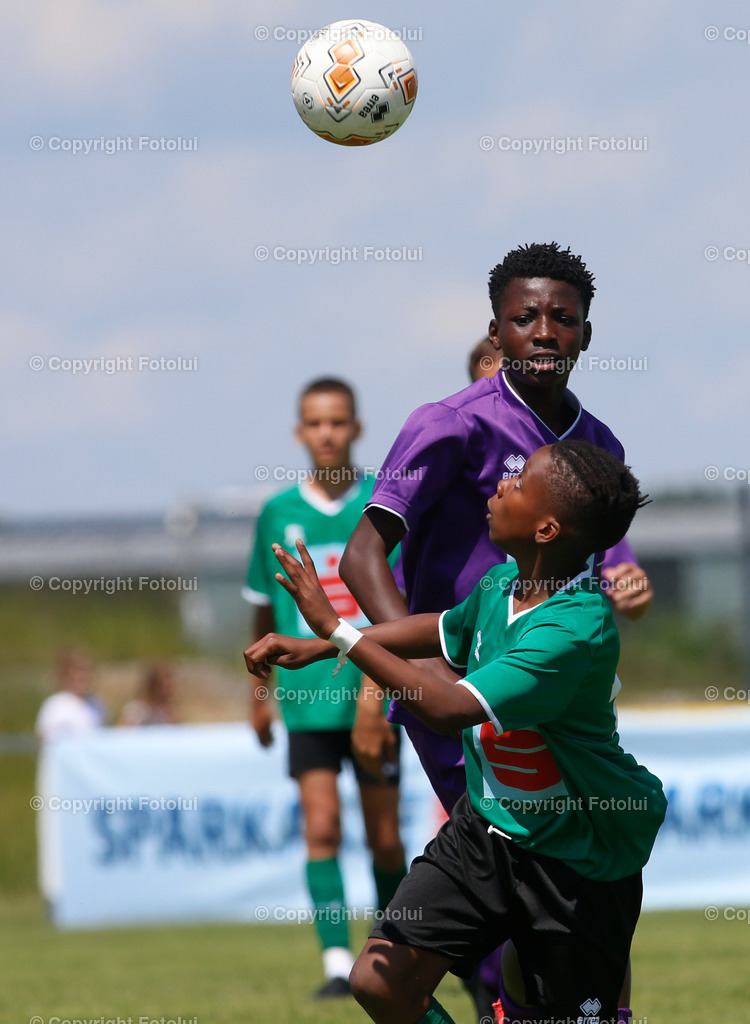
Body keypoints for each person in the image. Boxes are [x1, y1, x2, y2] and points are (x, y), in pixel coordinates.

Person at [244, 438, 667, 1024]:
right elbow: (437, 631)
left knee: (558, 1012)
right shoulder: (500, 586)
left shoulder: (573, 631)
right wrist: (319, 645)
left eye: (518, 485)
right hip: (488, 833)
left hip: (576, 860)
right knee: (381, 979)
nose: (499, 486)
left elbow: (443, 706)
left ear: (546, 530)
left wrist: (338, 630)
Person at [340, 242, 648, 1016]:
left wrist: (626, 574)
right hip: (456, 693)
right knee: (512, 877)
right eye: (524, 318)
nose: (543, 331)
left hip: (541, 694)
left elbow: (601, 560)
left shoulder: (596, 446)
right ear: (497, 330)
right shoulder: (446, 426)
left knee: (569, 877)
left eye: (561, 318)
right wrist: (409, 670)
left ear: (584, 333)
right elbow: (363, 554)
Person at [242, 377, 407, 999]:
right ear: (299, 432)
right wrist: (258, 696)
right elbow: (263, 611)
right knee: (322, 829)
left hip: (378, 697)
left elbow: (399, 611)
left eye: (338, 422)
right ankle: (337, 962)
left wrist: (378, 695)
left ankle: (388, 951)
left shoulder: (381, 503)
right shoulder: (277, 513)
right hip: (307, 702)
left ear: (357, 428)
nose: (327, 433)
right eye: (315, 423)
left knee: (386, 836)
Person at [468, 334, 654, 622]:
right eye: (498, 393)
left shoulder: (571, 492)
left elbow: (627, 591)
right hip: (462, 662)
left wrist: (633, 593)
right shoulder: (450, 478)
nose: (509, 405)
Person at [35, 648, 105, 742]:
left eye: (87, 670)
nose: (83, 676)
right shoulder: (55, 705)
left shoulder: (96, 704)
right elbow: (47, 741)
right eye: (78, 671)